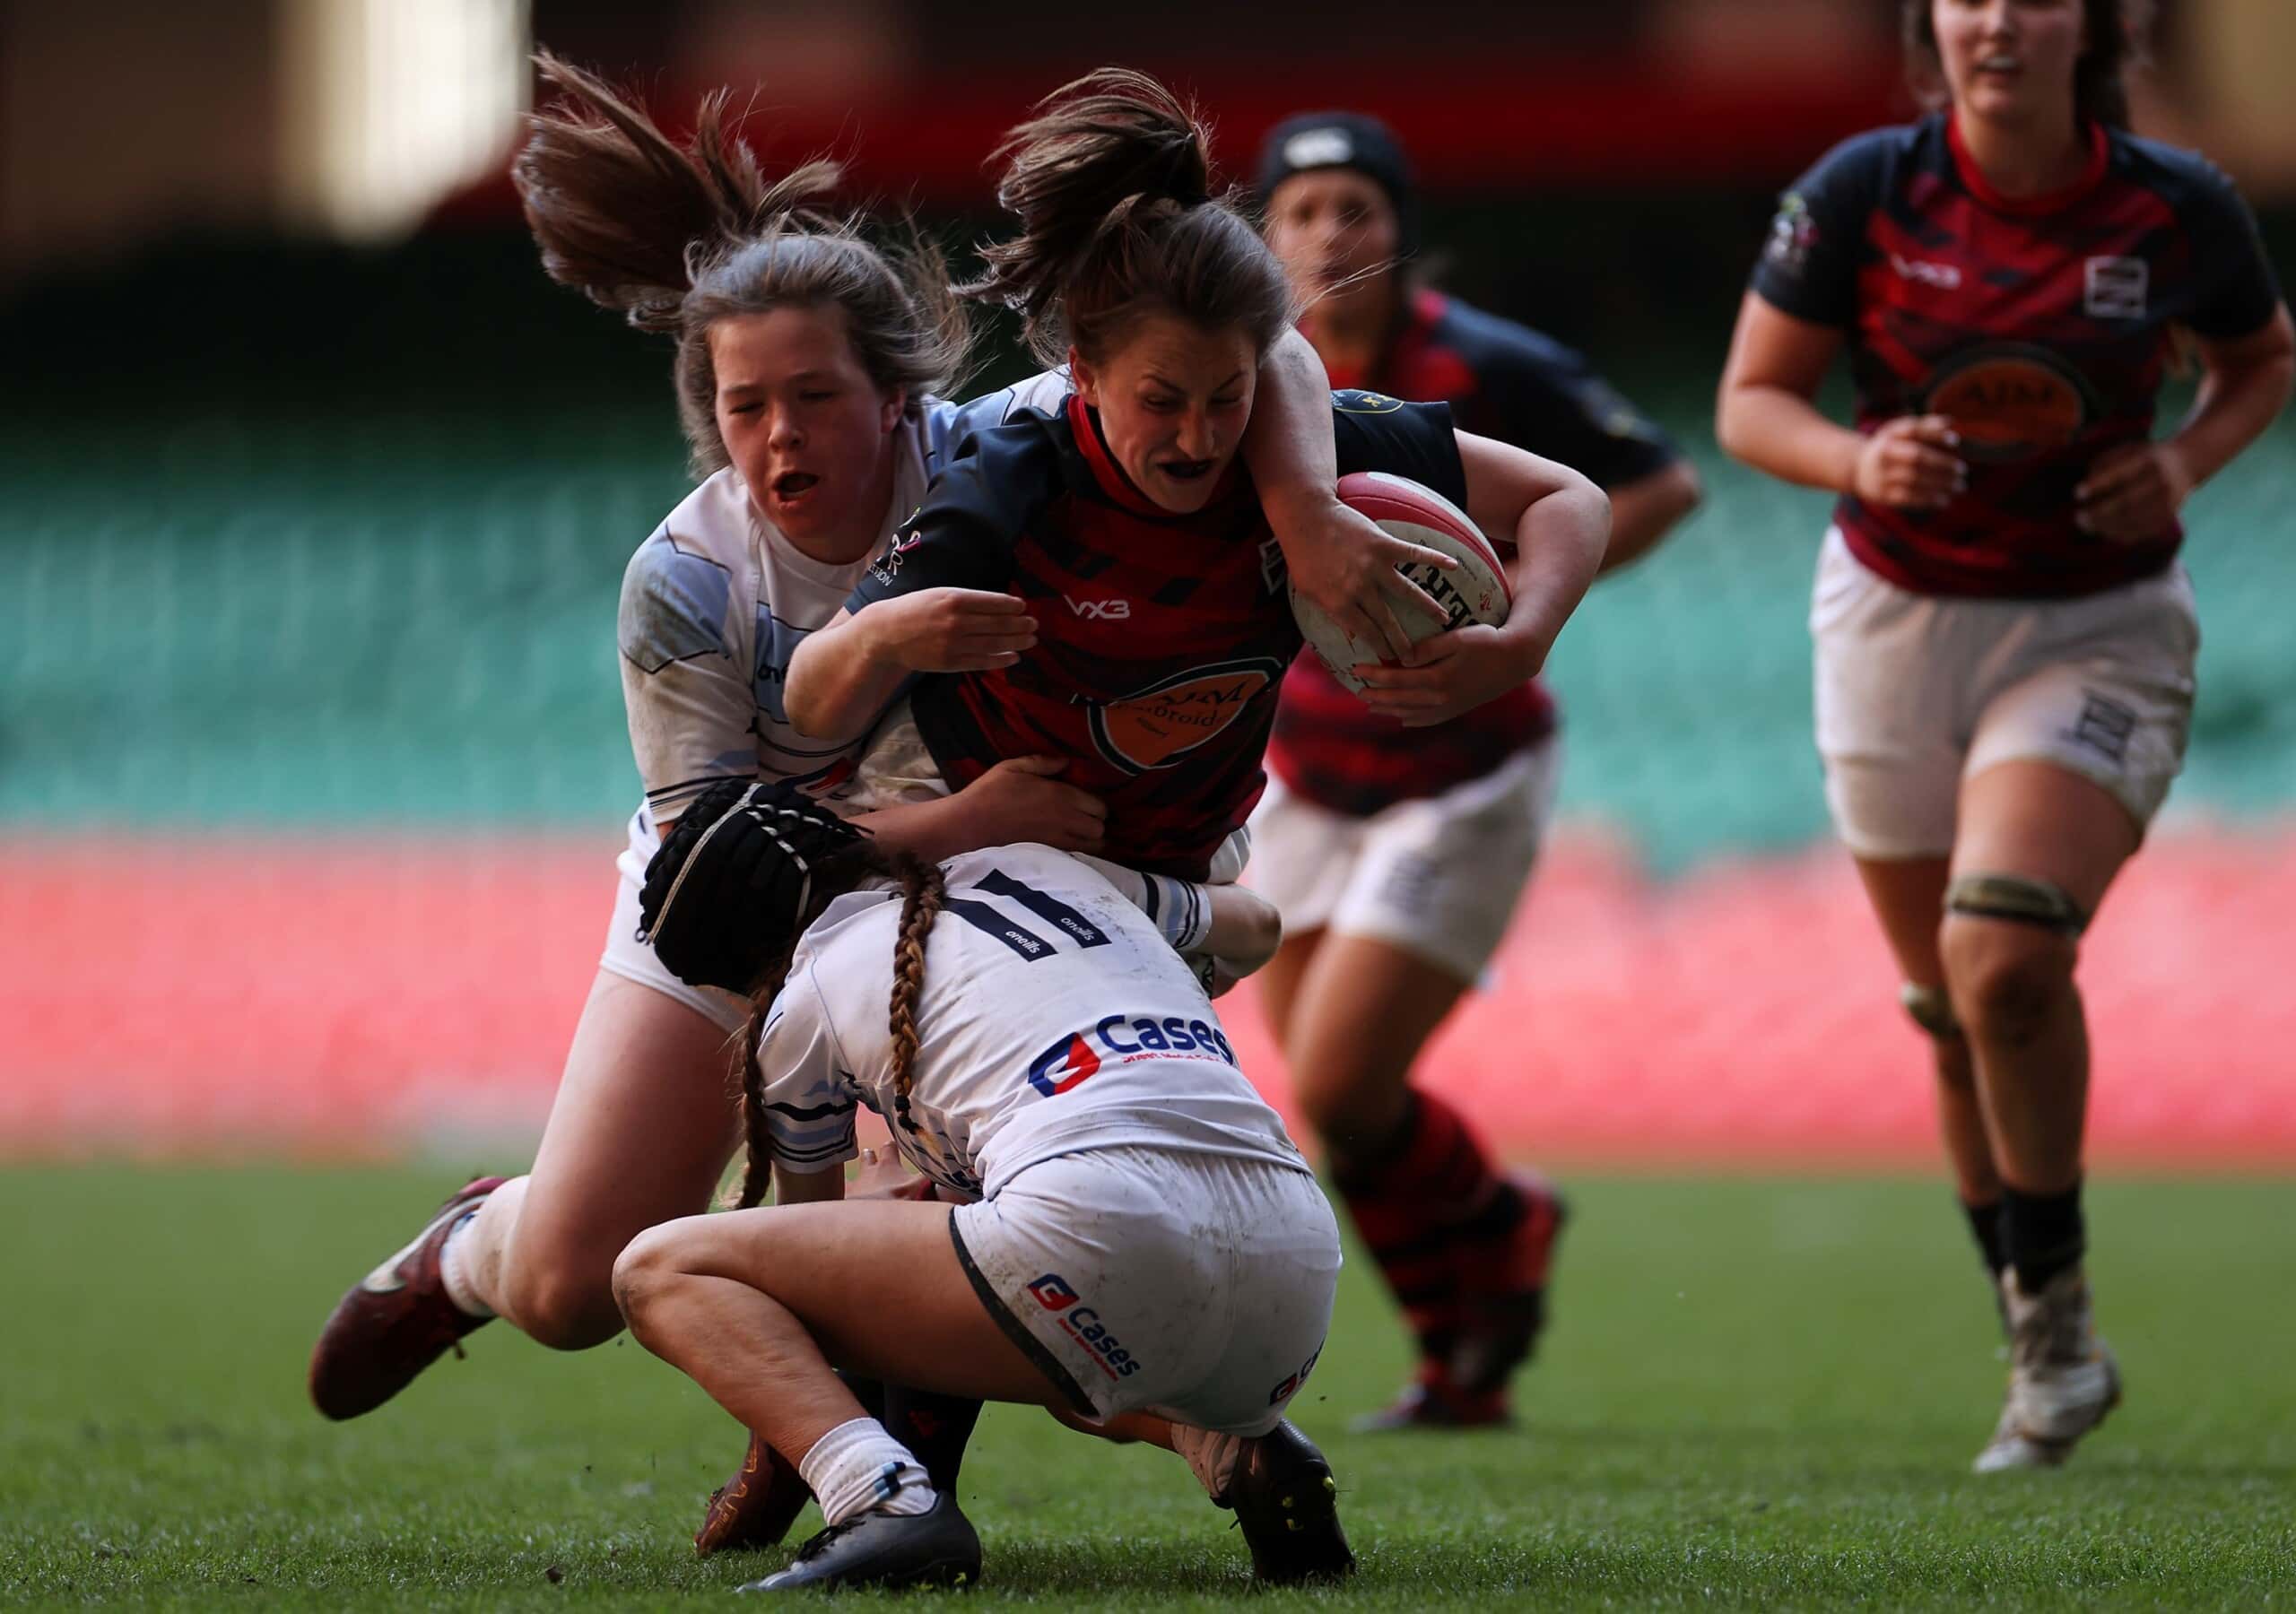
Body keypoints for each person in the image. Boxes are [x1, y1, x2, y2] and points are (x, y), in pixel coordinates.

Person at [303, 57, 1403, 1544]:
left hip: (986, 901)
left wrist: (1308, 511)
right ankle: (470, 1248)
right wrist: (968, 822)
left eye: (815, 398)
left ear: (901, 401)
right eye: (744, 407)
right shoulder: (686, 583)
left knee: (988, 1230)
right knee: (571, 1285)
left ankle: (1052, 1449)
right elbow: (721, 869)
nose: (778, 438)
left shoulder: (1003, 452)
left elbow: (1254, 350)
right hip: (755, 898)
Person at [1716, 0, 2290, 1471]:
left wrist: (2182, 461)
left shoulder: (2175, 204)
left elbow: (2262, 361)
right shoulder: (1862, 190)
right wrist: (1859, 458)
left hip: (2096, 625)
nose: (1997, 19)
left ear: (2089, 24)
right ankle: (2050, 1342)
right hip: (1895, 625)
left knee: (2005, 956)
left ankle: (2057, 1322)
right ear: (1934, 21)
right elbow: (1751, 405)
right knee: (1948, 1007)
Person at [784, 70, 1613, 891]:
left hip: (1175, 866)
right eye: (1160, 401)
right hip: (986, 853)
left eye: (1226, 397)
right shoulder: (1012, 477)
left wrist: (1522, 644)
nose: (1197, 436)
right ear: (1084, 373)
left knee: (1243, 929)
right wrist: (880, 636)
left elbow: (1568, 498)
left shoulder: (1318, 445)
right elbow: (811, 701)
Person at [1245, 110, 1704, 1430]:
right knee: (1342, 1107)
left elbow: (1658, 486)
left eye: (1358, 207)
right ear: (1265, 239)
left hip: (1464, 770)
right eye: (1303, 210)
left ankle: (1497, 1232)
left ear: (1401, 230)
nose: (1332, 231)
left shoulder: (1488, 365)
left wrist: (1510, 607)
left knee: (1340, 1085)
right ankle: (1465, 1349)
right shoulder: (1247, 382)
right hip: (1307, 771)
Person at [612, 778, 1353, 1591]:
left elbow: (815, 1287)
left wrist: (784, 1451)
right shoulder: (1042, 865)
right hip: (1300, 1275)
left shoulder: (800, 1003)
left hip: (1101, 1245)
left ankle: (884, 1501)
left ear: (750, 967)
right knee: (1019, 1281)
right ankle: (1238, 1448)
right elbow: (1257, 924)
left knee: (657, 1269)